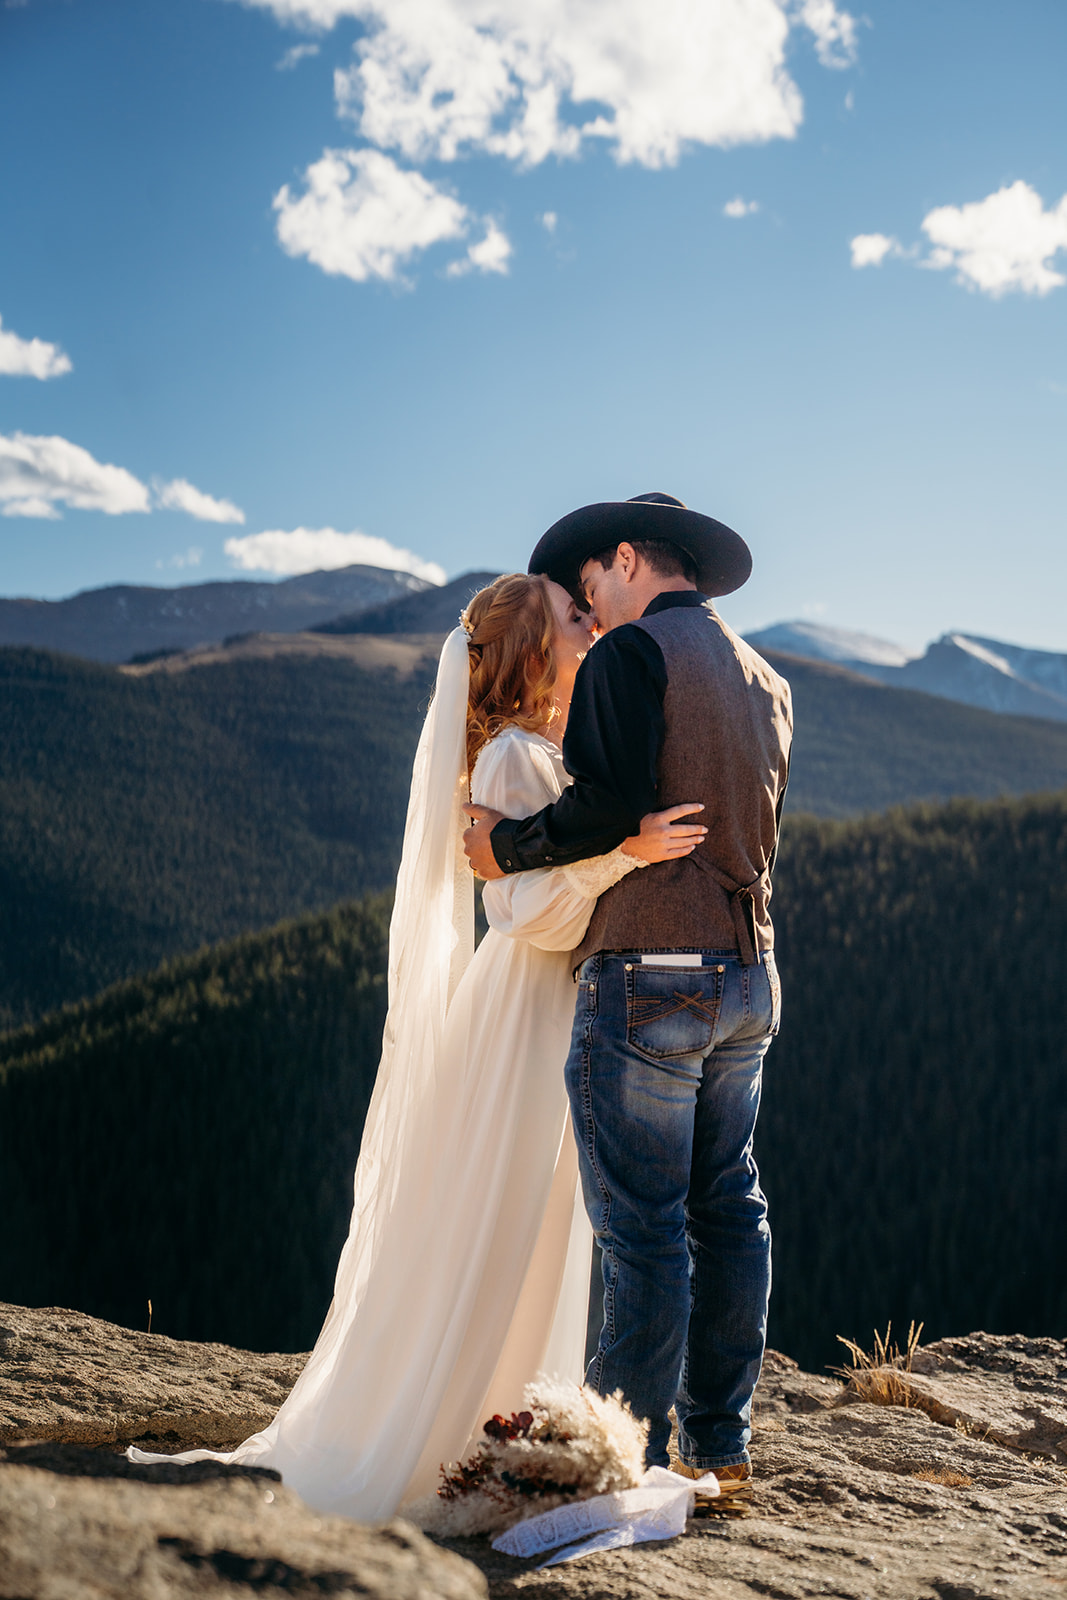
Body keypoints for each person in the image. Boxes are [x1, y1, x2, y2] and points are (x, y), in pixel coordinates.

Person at [127, 570, 704, 1520]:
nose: (590, 623)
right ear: (528, 649)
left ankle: (496, 1438)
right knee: (512, 1224)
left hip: (545, 1011)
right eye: (571, 615)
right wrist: (626, 853)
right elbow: (530, 916)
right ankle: (462, 1443)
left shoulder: (541, 748)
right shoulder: (514, 758)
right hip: (526, 1014)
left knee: (531, 1227)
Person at [463, 493, 793, 1491]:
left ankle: (608, 1461)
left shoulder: (626, 655)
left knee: (643, 1230)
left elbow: (606, 806)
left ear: (620, 561)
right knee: (729, 1207)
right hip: (749, 972)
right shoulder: (767, 677)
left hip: (648, 971)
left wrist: (504, 845)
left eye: (589, 586)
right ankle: (719, 1447)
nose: (587, 607)